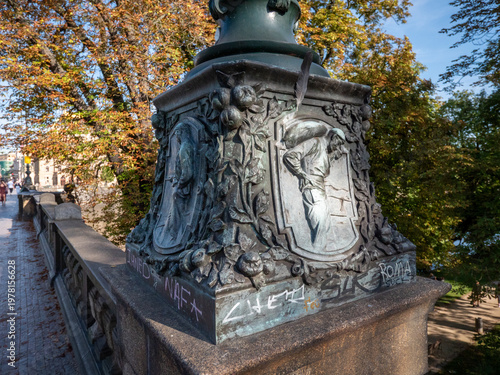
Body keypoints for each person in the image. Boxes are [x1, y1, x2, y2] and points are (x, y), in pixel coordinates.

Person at [283, 128, 346, 249]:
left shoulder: (325, 150)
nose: (338, 146)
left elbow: (322, 170)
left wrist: (331, 157)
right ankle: (317, 251)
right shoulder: (315, 142)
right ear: (334, 137)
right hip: (312, 187)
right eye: (339, 142)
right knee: (320, 222)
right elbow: (290, 155)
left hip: (320, 188)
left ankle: (318, 251)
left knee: (325, 224)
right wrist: (302, 174)